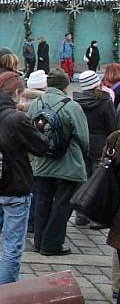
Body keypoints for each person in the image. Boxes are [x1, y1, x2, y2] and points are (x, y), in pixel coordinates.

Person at [0, 72, 50, 285]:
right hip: (15, 185)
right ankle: (6, 290)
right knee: (12, 245)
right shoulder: (17, 119)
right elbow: (41, 146)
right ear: (17, 93)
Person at [27, 68, 89, 256]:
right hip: (68, 163)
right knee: (62, 204)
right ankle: (52, 244)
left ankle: (38, 241)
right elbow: (83, 138)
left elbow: (29, 129)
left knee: (42, 201)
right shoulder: (71, 106)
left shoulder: (37, 103)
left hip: (42, 161)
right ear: (65, 85)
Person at [72, 69, 117, 227]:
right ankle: (95, 216)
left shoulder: (76, 100)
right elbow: (112, 126)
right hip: (100, 145)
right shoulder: (105, 100)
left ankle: (80, 214)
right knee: (99, 181)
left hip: (81, 143)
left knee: (82, 178)